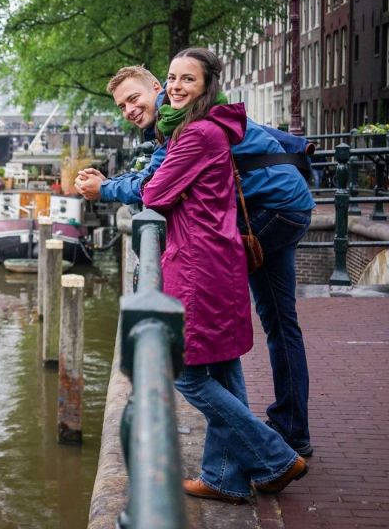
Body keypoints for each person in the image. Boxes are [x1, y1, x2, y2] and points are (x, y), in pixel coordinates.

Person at [76, 64, 316, 458]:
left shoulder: (181, 122)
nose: (130, 110)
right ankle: (287, 432)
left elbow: (155, 187)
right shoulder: (181, 117)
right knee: (278, 321)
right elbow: (160, 175)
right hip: (287, 200)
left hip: (270, 207)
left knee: (216, 300)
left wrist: (103, 187)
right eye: (121, 107)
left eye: (134, 99)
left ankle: (265, 451)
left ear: (157, 87)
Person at [140, 47, 307, 503]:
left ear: (206, 86)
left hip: (198, 265)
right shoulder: (207, 129)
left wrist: (151, 182)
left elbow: (154, 194)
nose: (175, 86)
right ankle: (225, 477)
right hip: (219, 257)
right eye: (171, 78)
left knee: (183, 371)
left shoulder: (195, 135)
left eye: (186, 80)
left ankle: (275, 456)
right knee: (224, 366)